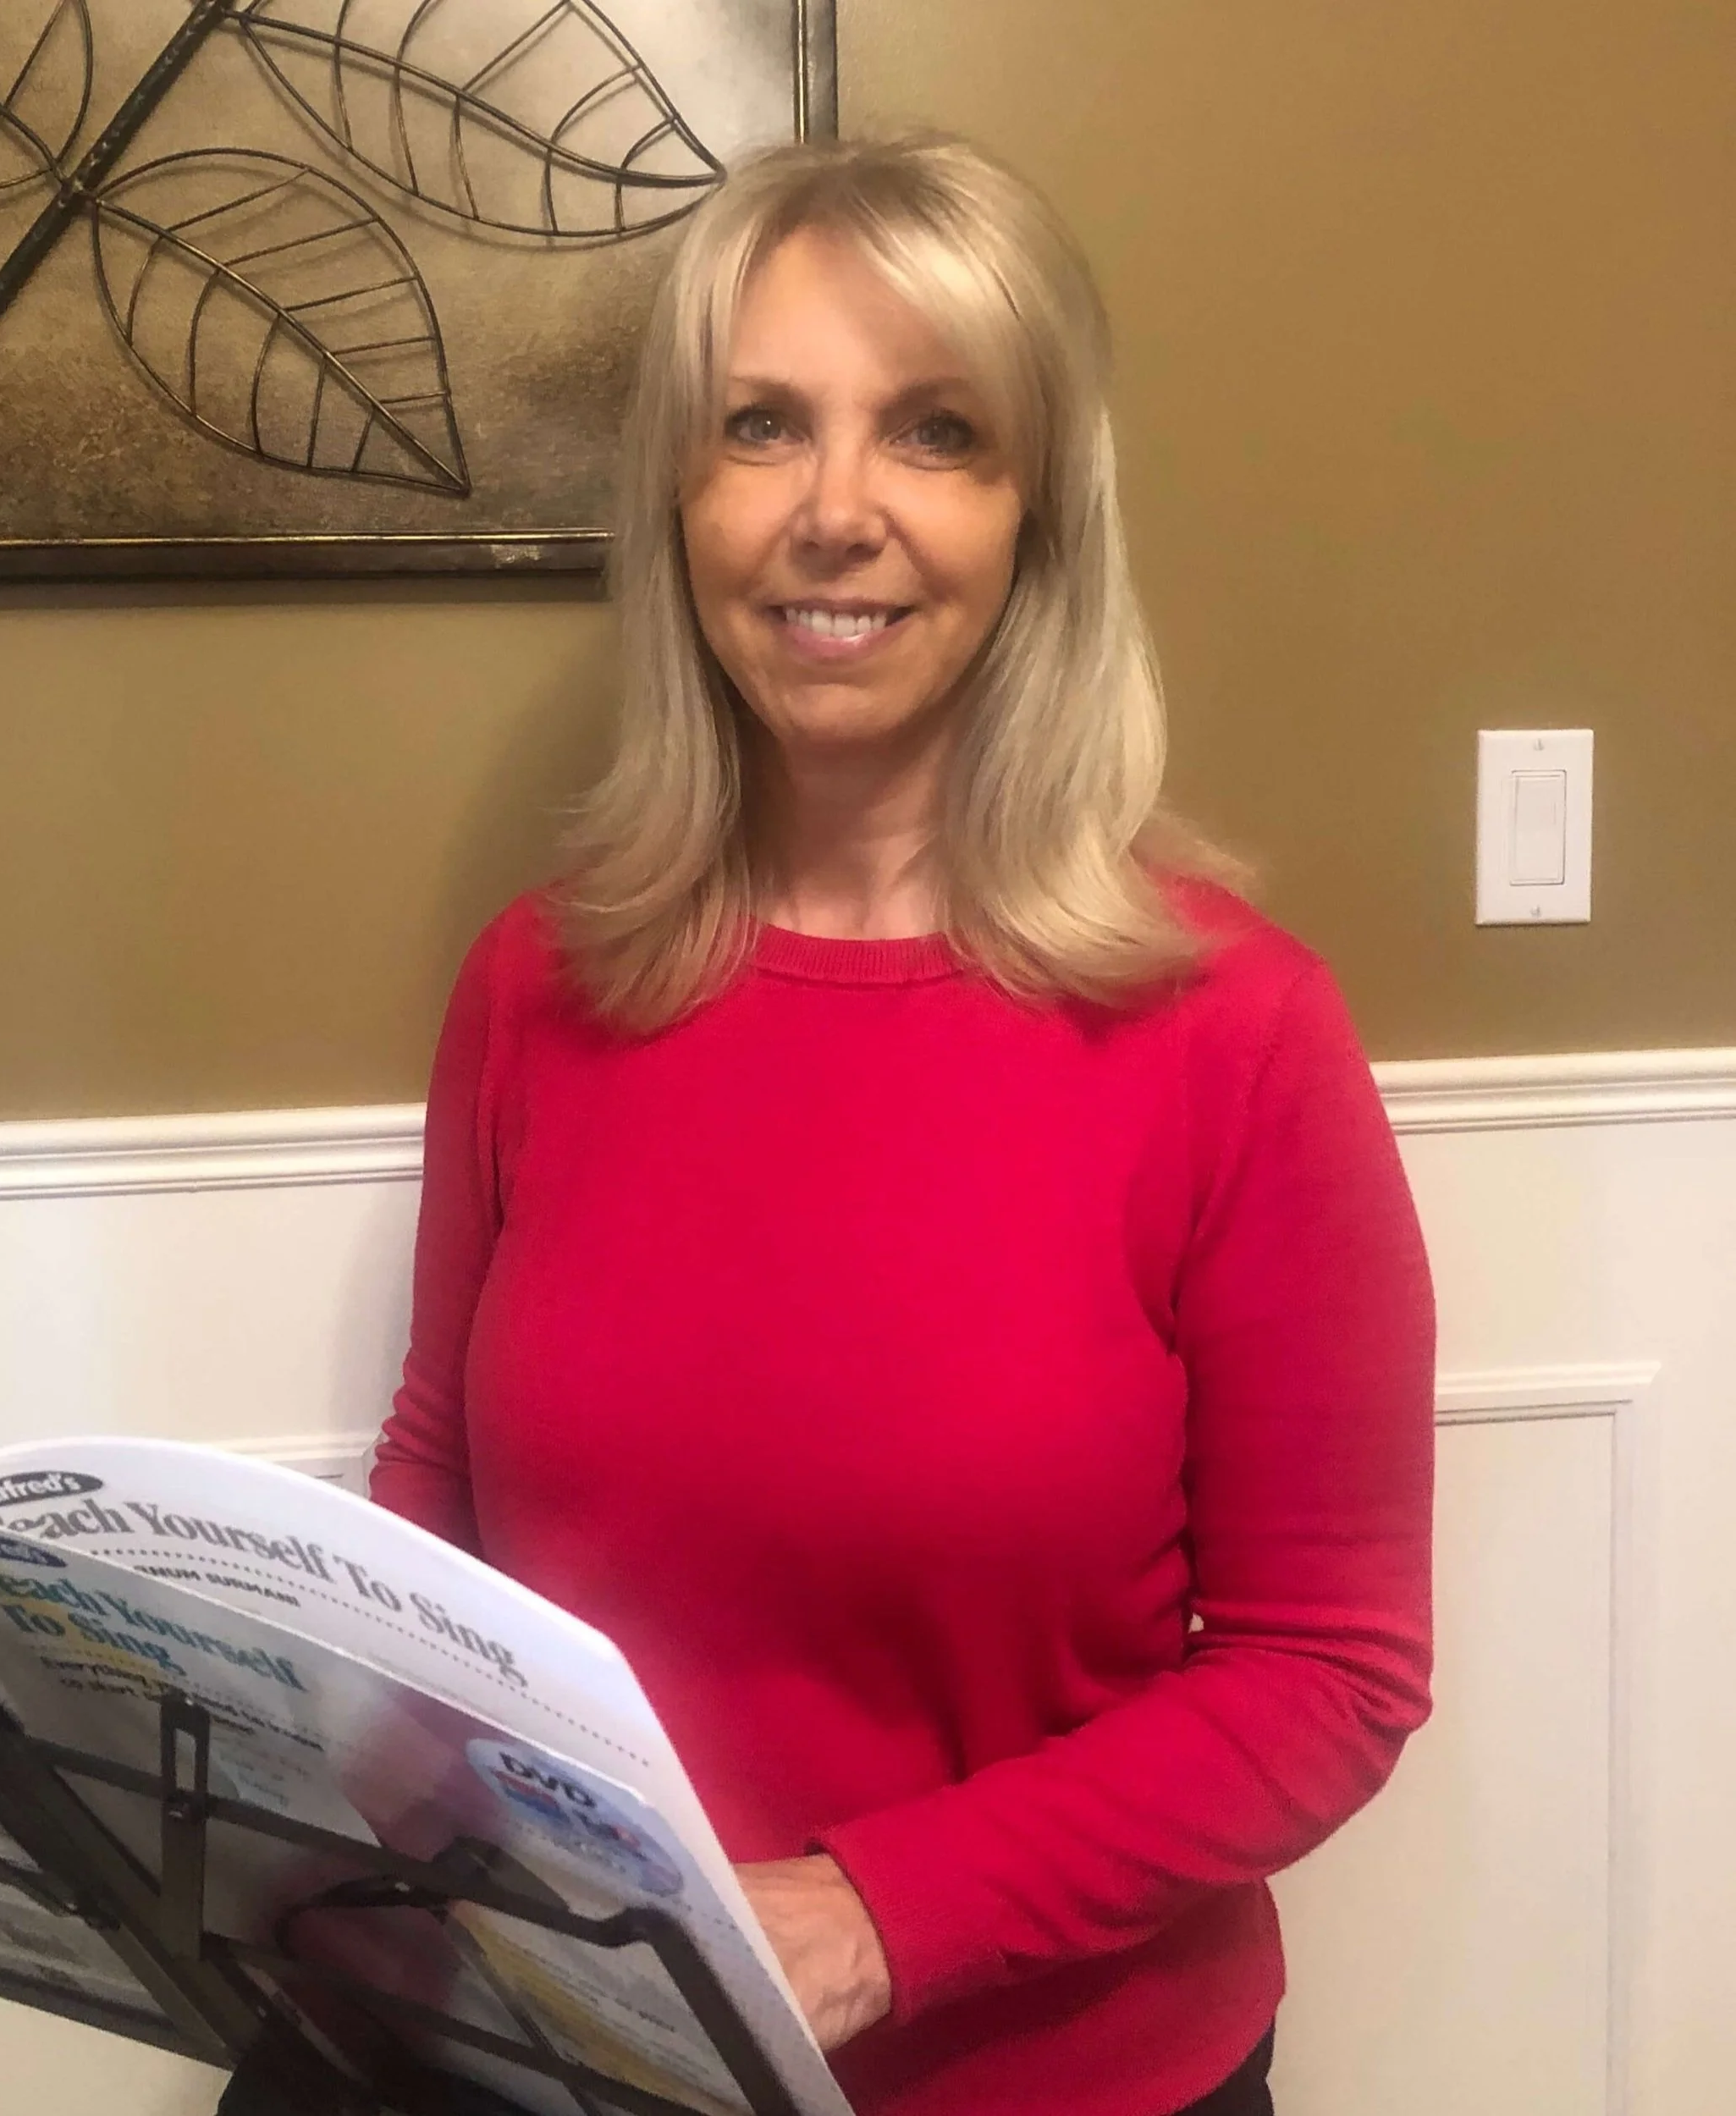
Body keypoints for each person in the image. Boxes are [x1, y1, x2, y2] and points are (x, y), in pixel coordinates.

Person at [371, 133, 1435, 2116]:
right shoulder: (537, 981)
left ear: (1035, 515)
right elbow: (435, 1486)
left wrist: (870, 1912)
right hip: (585, 2049)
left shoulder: (1235, 1034)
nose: (831, 512)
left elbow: (1327, 1666)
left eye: (932, 432)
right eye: (760, 426)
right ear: (678, 500)